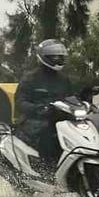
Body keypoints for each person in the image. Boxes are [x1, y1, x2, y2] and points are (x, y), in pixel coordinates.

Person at [15, 39, 75, 174]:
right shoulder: (30, 78)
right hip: (35, 120)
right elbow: (20, 102)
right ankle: (46, 170)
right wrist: (38, 109)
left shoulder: (64, 79)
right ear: (44, 57)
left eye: (61, 56)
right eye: (55, 56)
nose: (58, 59)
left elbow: (71, 98)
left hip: (59, 119)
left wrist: (85, 102)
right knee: (48, 135)